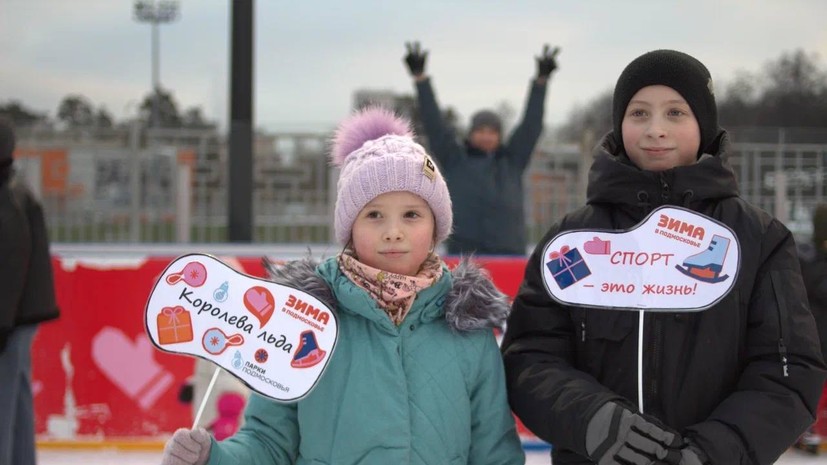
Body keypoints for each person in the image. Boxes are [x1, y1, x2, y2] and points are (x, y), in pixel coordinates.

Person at [500, 49, 827, 465]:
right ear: (620, 125)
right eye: (639, 114)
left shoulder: (757, 238)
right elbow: (530, 356)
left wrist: (714, 450)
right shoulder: (573, 239)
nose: (655, 130)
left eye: (675, 113)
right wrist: (591, 420)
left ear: (703, 126)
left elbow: (788, 368)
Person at [160, 107, 525, 465]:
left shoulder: (466, 325)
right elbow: (268, 443)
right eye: (374, 215)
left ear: (436, 226)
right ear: (350, 228)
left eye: (411, 214)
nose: (393, 231)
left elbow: (494, 449)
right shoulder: (301, 321)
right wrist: (213, 458)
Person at [403, 41, 560, 256]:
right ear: (471, 133)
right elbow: (434, 123)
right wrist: (421, 80)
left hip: (509, 254)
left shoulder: (512, 160)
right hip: (463, 256)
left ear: (499, 136)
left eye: (492, 131)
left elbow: (531, 125)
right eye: (480, 130)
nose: (486, 136)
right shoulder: (455, 159)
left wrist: (541, 82)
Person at [0, 117, 61, 465]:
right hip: (21, 313)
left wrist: (3, 323)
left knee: (4, 396)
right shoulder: (15, 191)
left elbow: (10, 266)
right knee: (16, 392)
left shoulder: (8, 198)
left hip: (12, 316)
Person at [795, 203, 827, 453]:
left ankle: (813, 431)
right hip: (817, 339)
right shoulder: (813, 263)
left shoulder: (808, 259)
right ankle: (811, 431)